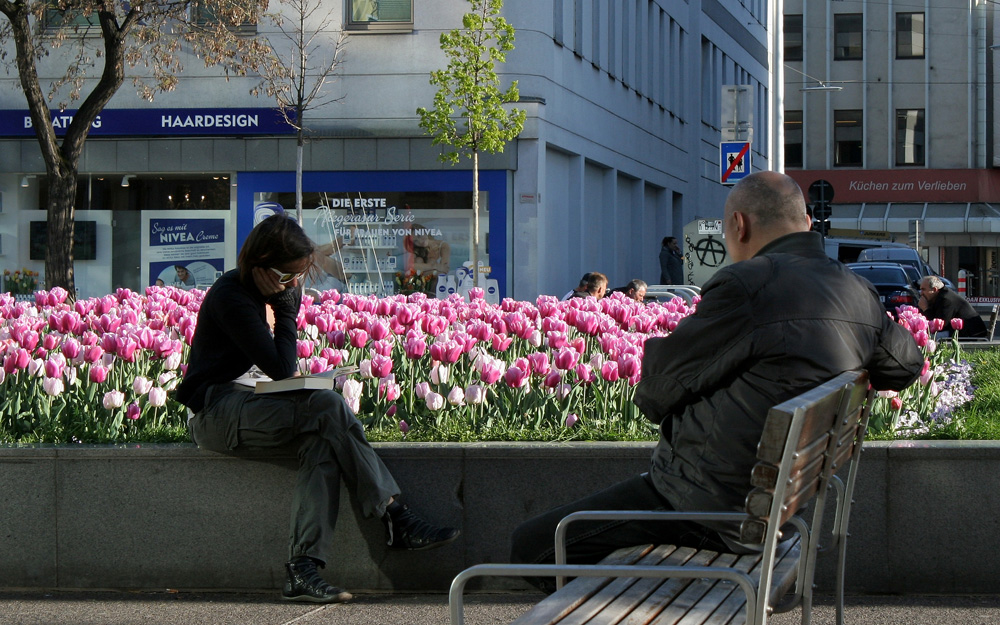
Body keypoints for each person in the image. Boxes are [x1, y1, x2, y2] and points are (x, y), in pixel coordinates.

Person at [510, 171, 922, 587]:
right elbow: (904, 366)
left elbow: (656, 390)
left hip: (709, 508)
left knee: (536, 547)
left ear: (739, 226)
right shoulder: (856, 289)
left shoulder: (747, 285)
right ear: (808, 224)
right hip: (782, 511)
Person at [176, 213, 459, 604]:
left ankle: (303, 569)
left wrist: (282, 295)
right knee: (326, 404)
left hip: (251, 403)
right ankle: (395, 516)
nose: (294, 285)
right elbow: (281, 369)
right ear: (259, 266)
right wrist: (286, 305)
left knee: (322, 441)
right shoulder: (232, 297)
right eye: (287, 276)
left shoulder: (266, 289)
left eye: (298, 277)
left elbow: (274, 375)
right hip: (215, 411)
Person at [918, 275, 987, 338]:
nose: (921, 293)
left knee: (926, 337)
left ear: (935, 290)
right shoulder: (938, 297)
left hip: (969, 333)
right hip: (956, 331)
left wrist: (925, 308)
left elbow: (939, 326)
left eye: (924, 289)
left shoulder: (946, 299)